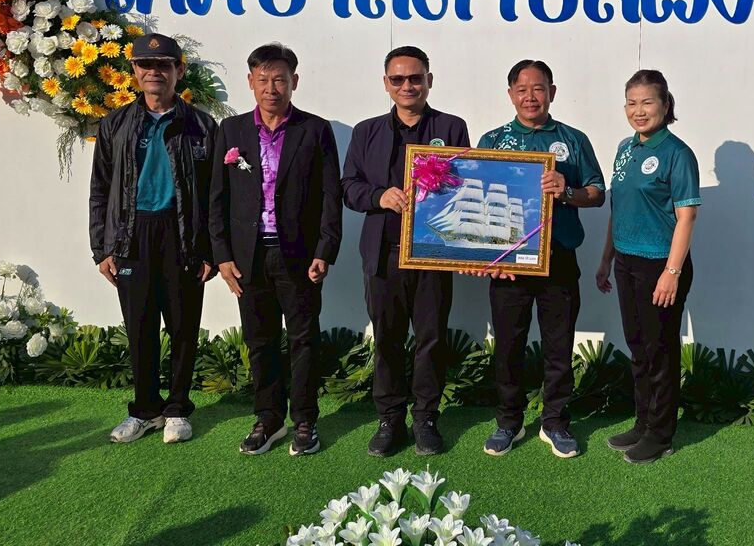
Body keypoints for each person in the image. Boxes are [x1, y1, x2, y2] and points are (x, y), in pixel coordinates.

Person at [210, 43, 343, 457]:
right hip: (247, 257)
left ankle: (304, 420)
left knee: (304, 339)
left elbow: (330, 196)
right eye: (264, 79)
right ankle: (268, 419)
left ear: (294, 82)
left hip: (299, 256)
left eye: (280, 79)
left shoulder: (315, 130)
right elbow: (217, 197)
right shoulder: (231, 130)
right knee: (260, 340)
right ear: (250, 82)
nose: (272, 88)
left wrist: (325, 249)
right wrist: (222, 255)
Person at [472, 60, 604, 459]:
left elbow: (597, 193)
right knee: (508, 346)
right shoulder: (493, 140)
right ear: (510, 94)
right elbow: (478, 199)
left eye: (539, 88)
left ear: (552, 92)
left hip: (558, 257)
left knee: (558, 346)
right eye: (522, 89)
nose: (531, 97)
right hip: (508, 263)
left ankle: (555, 422)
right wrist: (479, 253)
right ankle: (508, 422)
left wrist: (567, 191)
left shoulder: (573, 140)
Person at [89, 33, 217, 444]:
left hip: (182, 234)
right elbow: (100, 190)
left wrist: (210, 250)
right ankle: (145, 410)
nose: (154, 72)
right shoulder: (115, 124)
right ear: (134, 71)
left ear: (179, 70)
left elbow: (215, 193)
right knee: (140, 327)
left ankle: (177, 408)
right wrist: (102, 248)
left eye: (163, 65)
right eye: (146, 64)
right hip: (132, 235)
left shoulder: (201, 125)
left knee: (183, 326)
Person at [342, 46, 469, 456]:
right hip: (383, 253)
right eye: (397, 79)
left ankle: (426, 418)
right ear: (386, 84)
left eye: (415, 78)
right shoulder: (366, 132)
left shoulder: (451, 127)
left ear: (429, 80)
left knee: (431, 338)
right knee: (387, 339)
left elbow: (466, 185)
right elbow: (349, 187)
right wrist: (379, 196)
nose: (407, 86)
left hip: (433, 252)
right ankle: (390, 419)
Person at [595, 69, 700, 464]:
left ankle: (661, 434)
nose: (638, 111)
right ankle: (643, 422)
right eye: (631, 103)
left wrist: (672, 273)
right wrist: (606, 257)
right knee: (638, 348)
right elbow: (618, 206)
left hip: (660, 266)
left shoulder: (677, 153)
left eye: (647, 102)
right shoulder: (625, 148)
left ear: (665, 104)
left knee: (660, 352)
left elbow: (687, 216)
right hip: (626, 261)